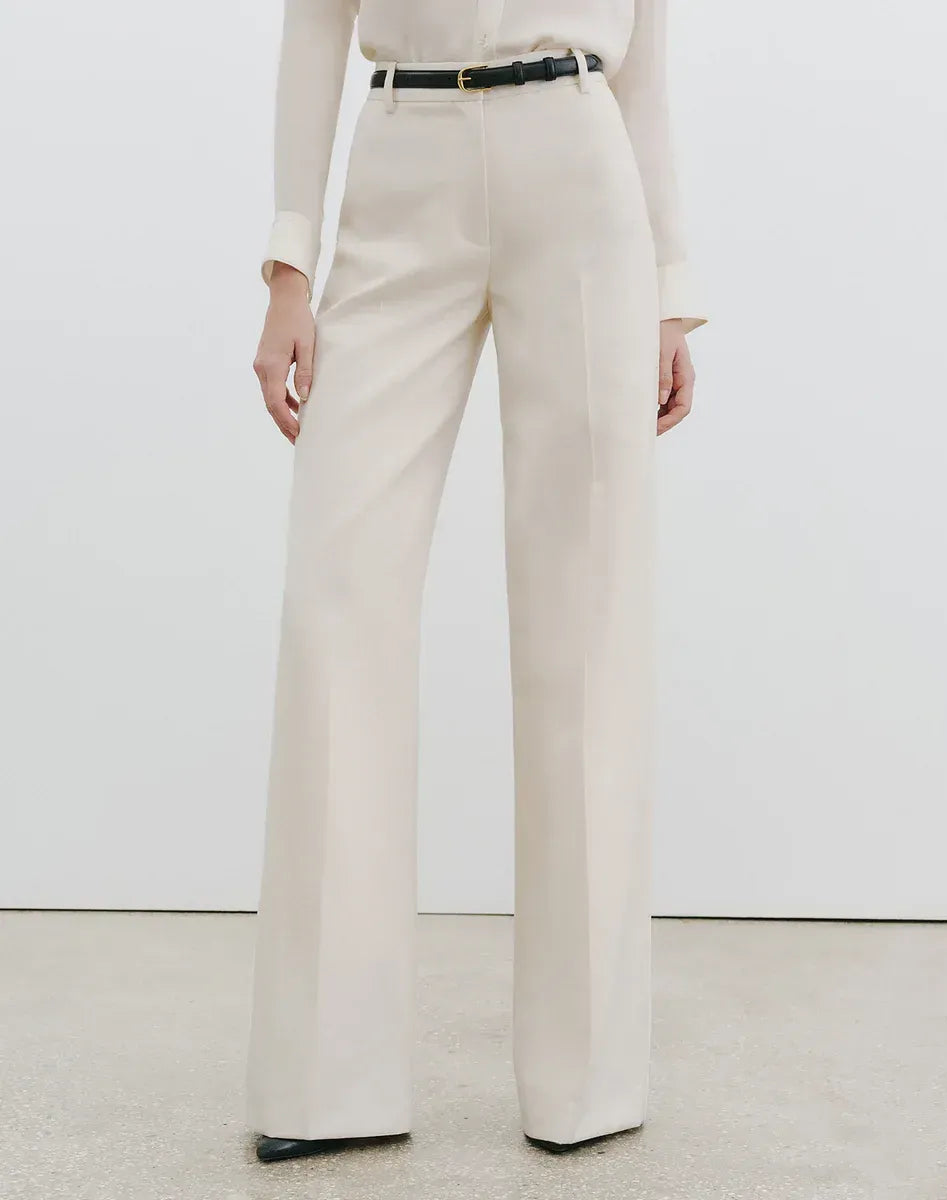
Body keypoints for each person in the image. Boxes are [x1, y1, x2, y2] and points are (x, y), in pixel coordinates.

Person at [247, 0, 706, 1165]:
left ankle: (586, 1081)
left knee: (589, 621)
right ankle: (325, 1081)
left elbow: (647, 59)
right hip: (403, 159)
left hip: (581, 164)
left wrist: (671, 282)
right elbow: (315, 24)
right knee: (337, 599)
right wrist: (290, 264)